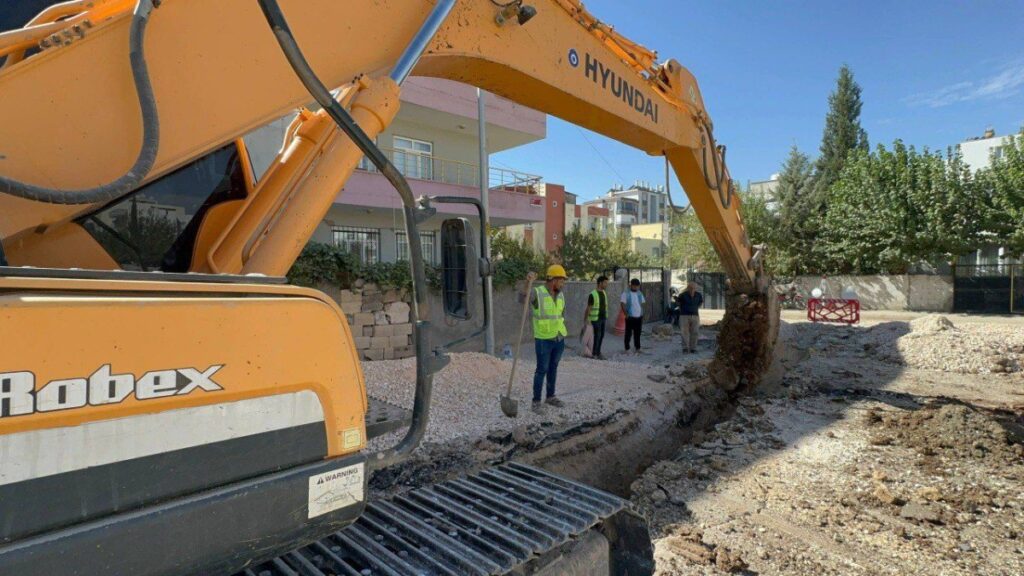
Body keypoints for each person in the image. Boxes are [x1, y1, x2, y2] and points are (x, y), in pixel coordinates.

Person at [521, 265, 568, 413]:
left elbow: (561, 314)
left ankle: (550, 396)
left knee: (553, 368)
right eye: (561, 280)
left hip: (559, 337)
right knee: (541, 370)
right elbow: (522, 299)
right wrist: (527, 283)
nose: (563, 283)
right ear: (553, 280)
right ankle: (535, 402)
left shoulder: (560, 295)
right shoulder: (537, 293)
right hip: (543, 339)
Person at [584, 275, 609, 360]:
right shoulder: (593, 294)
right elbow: (588, 308)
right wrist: (586, 319)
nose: (606, 284)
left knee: (601, 336)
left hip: (603, 318)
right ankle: (594, 354)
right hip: (595, 319)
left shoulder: (604, 293)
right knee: (597, 336)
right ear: (600, 283)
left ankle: (598, 352)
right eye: (605, 283)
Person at [620, 278, 646, 354]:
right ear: (631, 285)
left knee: (638, 333)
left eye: (637, 286)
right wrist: (626, 314)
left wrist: (642, 313)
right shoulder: (626, 293)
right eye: (634, 286)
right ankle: (627, 349)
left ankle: (638, 348)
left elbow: (642, 303)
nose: (636, 288)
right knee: (628, 333)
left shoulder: (639, 293)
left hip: (639, 316)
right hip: (630, 317)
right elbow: (622, 304)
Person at [677, 281, 703, 353]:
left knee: (695, 332)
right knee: (684, 332)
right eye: (691, 287)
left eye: (694, 288)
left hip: (695, 315)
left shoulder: (698, 295)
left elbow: (700, 303)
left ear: (696, 288)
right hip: (684, 316)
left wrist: (694, 308)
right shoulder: (682, 295)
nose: (692, 289)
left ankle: (693, 348)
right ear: (688, 288)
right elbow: (678, 303)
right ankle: (685, 348)